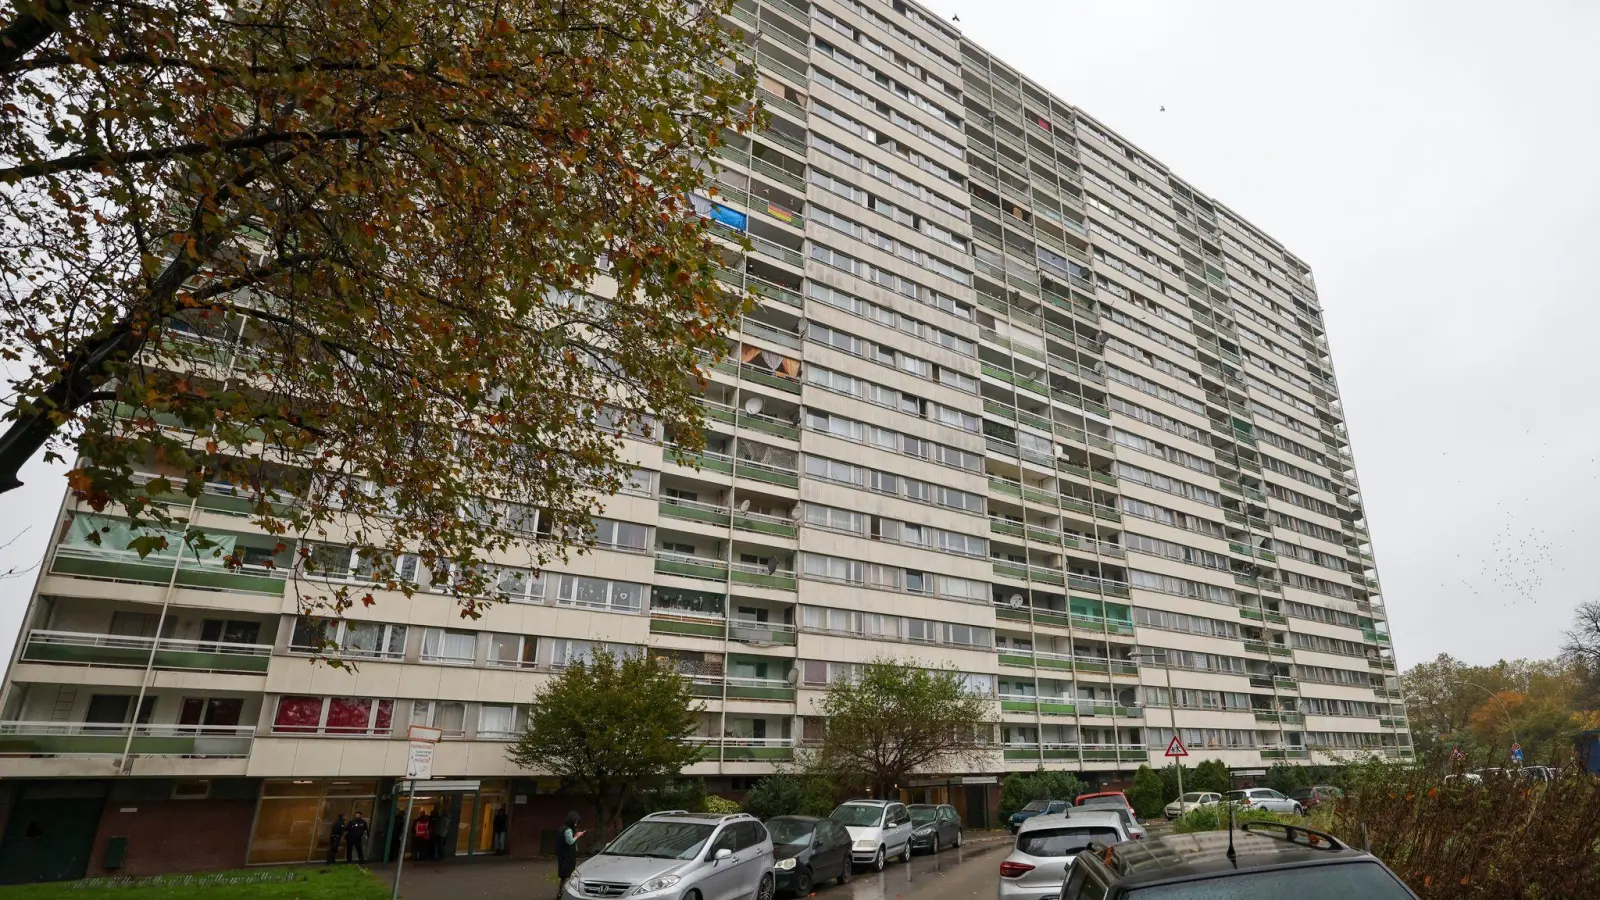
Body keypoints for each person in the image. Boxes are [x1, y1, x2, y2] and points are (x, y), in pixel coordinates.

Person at [556, 811, 584, 899]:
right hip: (567, 857)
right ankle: (566, 893)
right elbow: (570, 841)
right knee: (568, 875)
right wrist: (578, 836)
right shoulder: (568, 830)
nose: (576, 824)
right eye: (575, 821)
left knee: (563, 876)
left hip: (563, 856)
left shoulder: (562, 828)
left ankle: (560, 892)